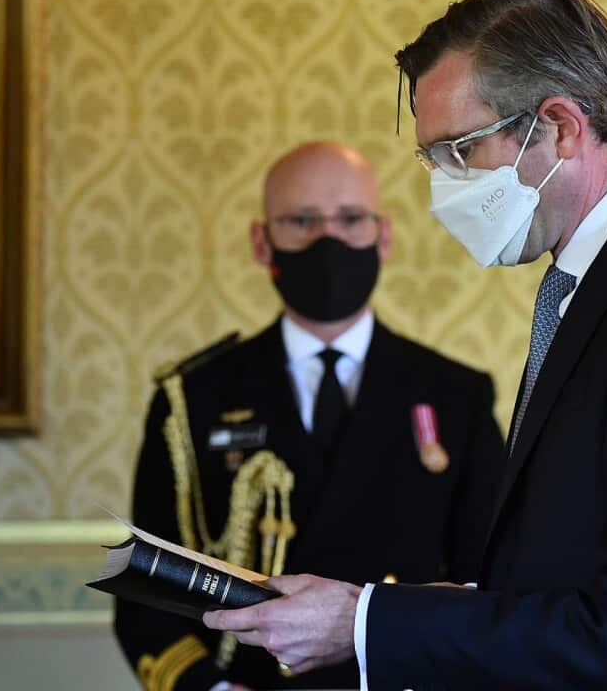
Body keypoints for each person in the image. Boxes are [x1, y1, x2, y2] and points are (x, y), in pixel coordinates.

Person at [204, 0, 607, 690]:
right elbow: (568, 572)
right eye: (432, 161)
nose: (442, 186)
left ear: (559, 127)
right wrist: (421, 611)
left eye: (458, 152)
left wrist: (364, 622)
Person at [114, 141, 505, 691]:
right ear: (261, 240)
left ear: (383, 235)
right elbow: (147, 591)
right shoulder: (193, 397)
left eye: (350, 219)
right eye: (301, 220)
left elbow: (486, 586)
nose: (329, 240)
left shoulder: (455, 396)